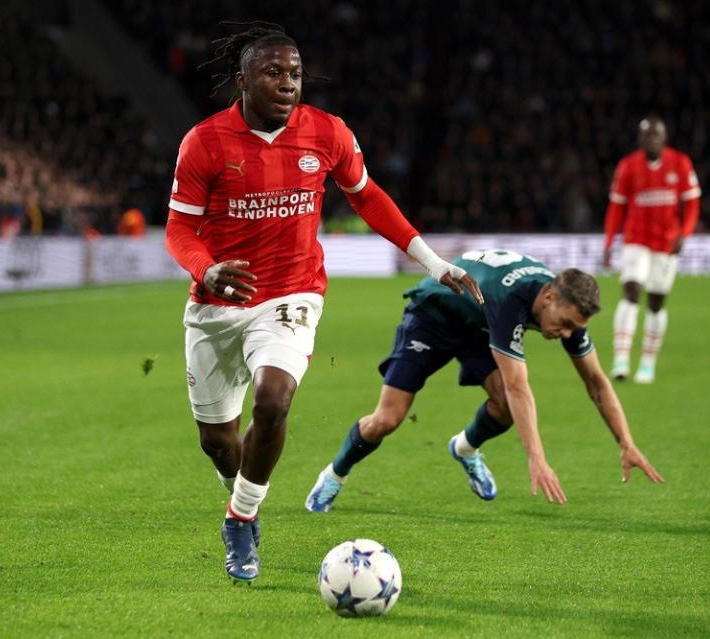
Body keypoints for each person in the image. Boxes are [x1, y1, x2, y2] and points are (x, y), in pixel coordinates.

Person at [163, 22, 482, 583]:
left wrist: (434, 262)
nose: (288, 83)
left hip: (292, 292)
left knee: (273, 399)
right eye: (274, 73)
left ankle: (239, 519)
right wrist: (206, 269)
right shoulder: (205, 142)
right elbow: (178, 231)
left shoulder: (326, 132)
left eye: (295, 73)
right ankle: (244, 495)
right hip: (217, 303)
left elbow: (370, 199)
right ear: (242, 81)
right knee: (218, 443)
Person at [305, 249, 664, 513]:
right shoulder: (511, 300)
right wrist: (536, 458)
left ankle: (465, 447)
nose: (567, 333)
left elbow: (597, 384)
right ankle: (335, 474)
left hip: (478, 325)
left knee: (505, 408)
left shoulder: (558, 308)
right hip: (434, 314)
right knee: (387, 419)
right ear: (550, 297)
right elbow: (518, 385)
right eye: (566, 322)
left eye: (575, 328)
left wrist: (626, 442)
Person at [603, 117, 701, 383]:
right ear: (640, 139)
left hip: (666, 245)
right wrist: (609, 242)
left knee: (656, 302)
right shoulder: (628, 166)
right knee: (631, 291)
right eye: (648, 136)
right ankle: (621, 359)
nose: (653, 140)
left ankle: (647, 362)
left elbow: (692, 204)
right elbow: (616, 208)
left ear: (664, 138)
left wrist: (685, 233)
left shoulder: (680, 163)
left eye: (657, 135)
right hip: (636, 241)